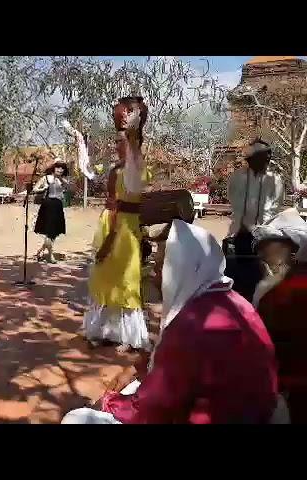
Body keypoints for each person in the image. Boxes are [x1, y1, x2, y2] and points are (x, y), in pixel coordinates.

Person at [62, 220, 280, 424]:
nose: (155, 276)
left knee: (76, 418)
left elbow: (152, 408)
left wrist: (108, 403)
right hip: (255, 411)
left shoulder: (190, 325)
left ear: (185, 270)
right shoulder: (234, 301)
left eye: (161, 268)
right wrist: (138, 368)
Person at [80, 97, 151, 353]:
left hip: (127, 229)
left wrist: (134, 125)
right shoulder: (113, 168)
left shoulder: (137, 167)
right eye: (116, 141)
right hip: (109, 223)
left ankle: (128, 336)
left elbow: (134, 170)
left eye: (122, 142)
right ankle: (101, 329)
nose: (117, 145)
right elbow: (88, 171)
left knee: (125, 279)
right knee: (102, 277)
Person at [253, 208, 307, 423]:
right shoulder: (272, 289)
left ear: (291, 249)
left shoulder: (278, 294)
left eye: (268, 247)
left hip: (290, 393)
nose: (262, 255)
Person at [225, 139, 284, 301]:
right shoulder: (237, 178)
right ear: (251, 159)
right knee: (236, 281)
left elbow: (273, 209)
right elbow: (235, 204)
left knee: (262, 281)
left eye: (267, 157)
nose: (265, 161)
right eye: (261, 157)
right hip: (239, 236)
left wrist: (259, 230)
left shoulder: (275, 181)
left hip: (264, 237)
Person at [33, 158, 70, 263]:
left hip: (58, 206)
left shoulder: (63, 180)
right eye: (58, 167)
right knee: (49, 231)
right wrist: (43, 188)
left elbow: (68, 187)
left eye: (62, 168)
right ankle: (50, 255)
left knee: (53, 233)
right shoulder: (46, 178)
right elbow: (35, 189)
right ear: (54, 167)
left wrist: (61, 179)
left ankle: (40, 251)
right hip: (48, 204)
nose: (60, 170)